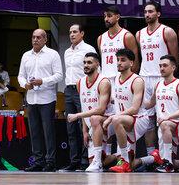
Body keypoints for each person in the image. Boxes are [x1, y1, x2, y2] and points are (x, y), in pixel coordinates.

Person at [137, 1, 179, 158]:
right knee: (148, 121)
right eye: (145, 12)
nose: (147, 14)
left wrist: (169, 77)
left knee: (165, 119)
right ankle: (151, 157)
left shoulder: (167, 32)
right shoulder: (139, 34)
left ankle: (169, 156)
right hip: (144, 77)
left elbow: (175, 59)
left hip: (161, 78)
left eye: (150, 11)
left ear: (158, 13)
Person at [18, 28, 63, 172]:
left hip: (47, 98)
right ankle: (38, 162)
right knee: (35, 131)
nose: (35, 40)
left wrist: (42, 81)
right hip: (31, 98)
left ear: (45, 39)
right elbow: (20, 76)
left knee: (48, 132)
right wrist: (25, 84)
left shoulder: (53, 54)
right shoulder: (26, 55)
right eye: (33, 37)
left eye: (38, 37)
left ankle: (51, 162)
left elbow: (59, 75)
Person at [104, 48, 155, 173]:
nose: (119, 63)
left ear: (131, 63)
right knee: (98, 121)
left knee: (116, 120)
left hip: (139, 118)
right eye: (118, 60)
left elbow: (135, 109)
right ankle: (153, 158)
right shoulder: (117, 78)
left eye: (123, 60)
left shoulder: (137, 80)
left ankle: (124, 160)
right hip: (124, 118)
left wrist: (112, 117)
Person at [145, 55, 179, 172]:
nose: (162, 68)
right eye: (160, 66)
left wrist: (168, 117)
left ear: (173, 68)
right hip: (164, 125)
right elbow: (150, 104)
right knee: (163, 159)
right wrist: (135, 98)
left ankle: (167, 163)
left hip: (178, 123)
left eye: (165, 66)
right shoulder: (158, 85)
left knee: (165, 125)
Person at [66, 52, 113, 172]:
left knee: (95, 118)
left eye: (89, 62)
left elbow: (101, 109)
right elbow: (84, 107)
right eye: (84, 62)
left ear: (97, 64)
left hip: (107, 122)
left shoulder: (104, 82)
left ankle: (99, 161)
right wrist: (84, 131)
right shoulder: (80, 82)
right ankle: (115, 158)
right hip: (92, 125)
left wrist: (77, 115)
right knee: (94, 165)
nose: (86, 65)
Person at [63, 24, 97, 171]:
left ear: (82, 33)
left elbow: (96, 69)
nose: (72, 34)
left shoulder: (88, 49)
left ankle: (85, 160)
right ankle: (74, 161)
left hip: (83, 89)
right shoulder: (66, 52)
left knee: (84, 125)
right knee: (71, 127)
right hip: (68, 89)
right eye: (70, 32)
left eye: (75, 32)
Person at [97, 6, 139, 83]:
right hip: (105, 80)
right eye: (105, 16)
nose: (106, 19)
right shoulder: (100, 38)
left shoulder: (127, 36)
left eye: (109, 16)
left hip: (121, 80)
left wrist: (128, 81)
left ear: (117, 17)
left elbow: (135, 62)